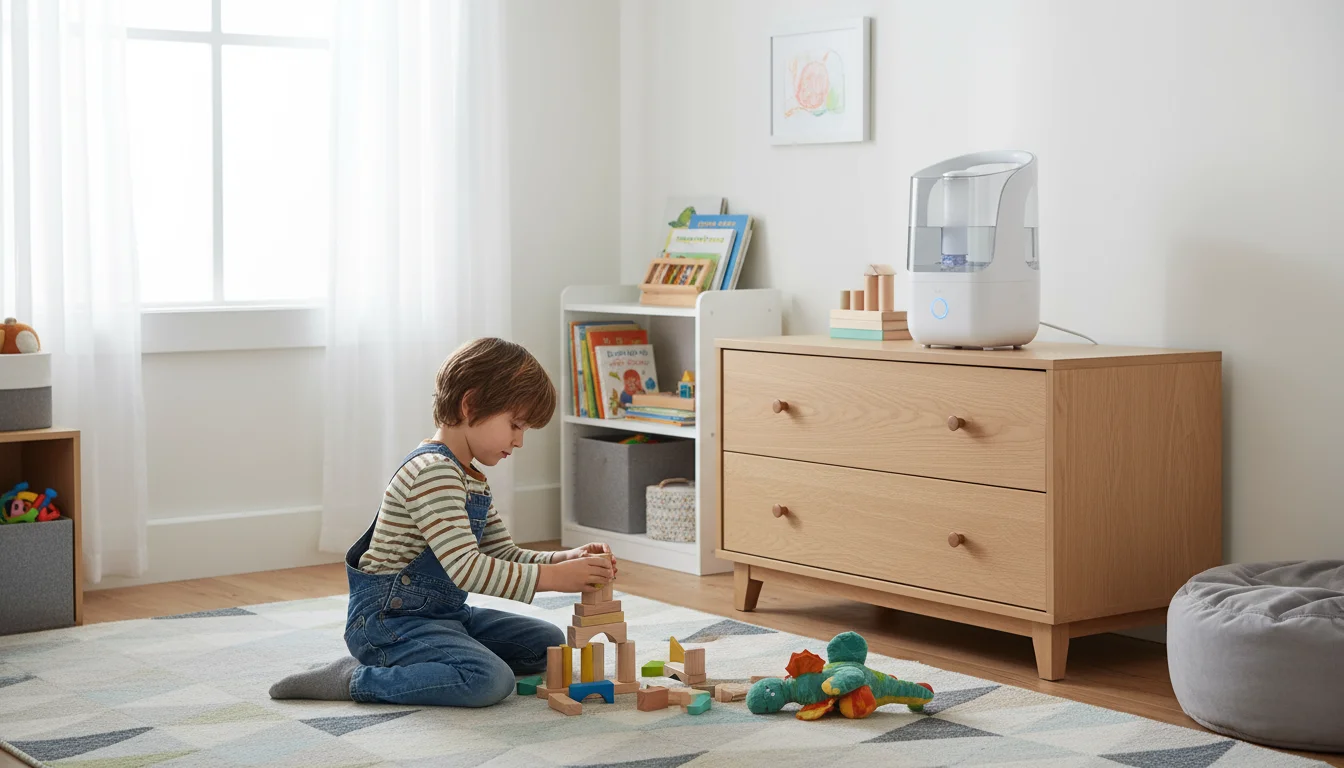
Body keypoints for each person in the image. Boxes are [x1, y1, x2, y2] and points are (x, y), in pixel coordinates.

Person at [270, 337, 616, 706]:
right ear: (471, 405)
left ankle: (439, 655)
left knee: (547, 644)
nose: (519, 441)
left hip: (446, 615)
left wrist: (564, 560)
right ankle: (356, 678)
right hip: (389, 623)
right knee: (488, 681)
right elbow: (467, 569)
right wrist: (554, 580)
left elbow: (502, 554)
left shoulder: (470, 478)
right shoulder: (432, 473)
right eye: (515, 425)